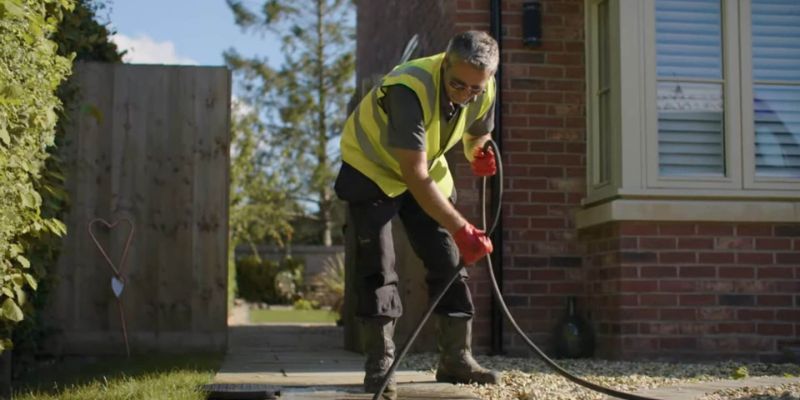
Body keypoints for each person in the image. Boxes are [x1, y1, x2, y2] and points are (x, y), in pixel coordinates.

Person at [335, 30, 501, 399]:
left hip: (425, 170)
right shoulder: (407, 89)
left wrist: (479, 151)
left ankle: (456, 358)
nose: (466, 95)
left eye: (475, 89)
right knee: (378, 265)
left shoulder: (482, 88)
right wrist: (462, 227)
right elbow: (414, 174)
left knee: (448, 259)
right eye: (458, 85)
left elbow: (475, 133)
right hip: (372, 169)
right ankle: (380, 365)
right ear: (444, 63)